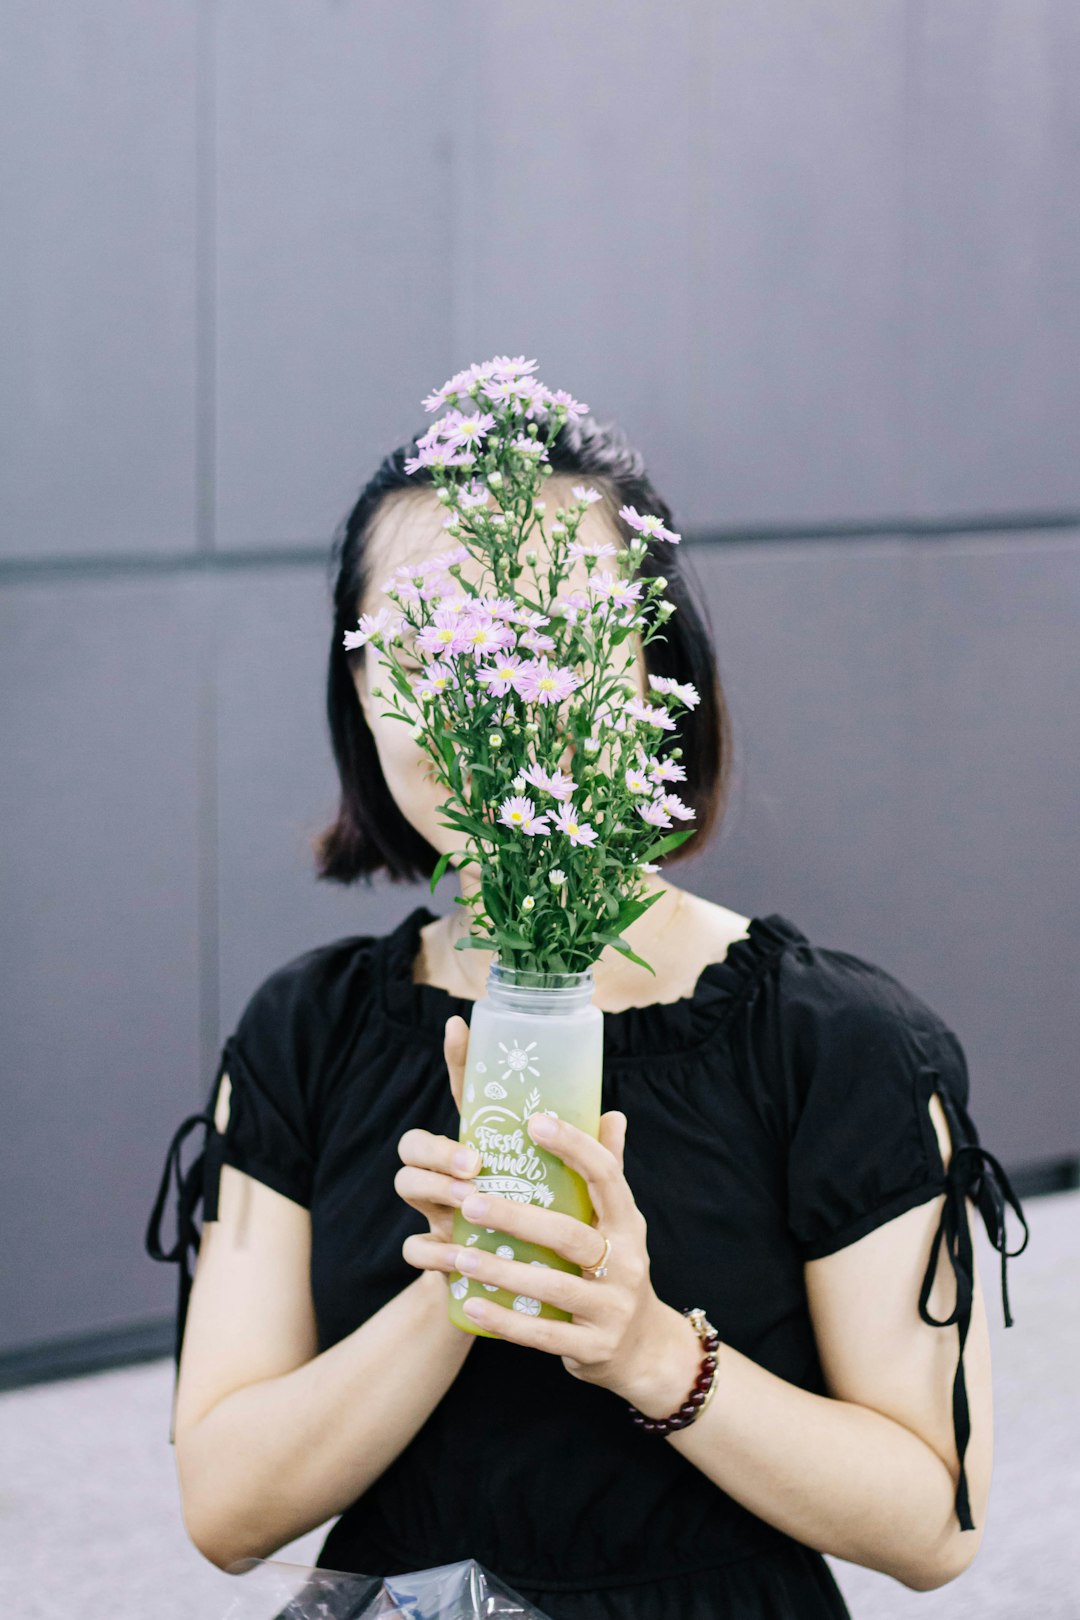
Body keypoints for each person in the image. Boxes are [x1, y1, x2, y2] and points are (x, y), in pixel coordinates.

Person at [146, 412, 1030, 1619]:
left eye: (550, 635)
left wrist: (650, 1347)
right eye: (426, 640)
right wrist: (469, 1278)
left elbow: (933, 1525)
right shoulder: (309, 1030)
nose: (491, 692)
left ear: (656, 676)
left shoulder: (834, 1042)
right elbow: (227, 1511)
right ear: (358, 691)